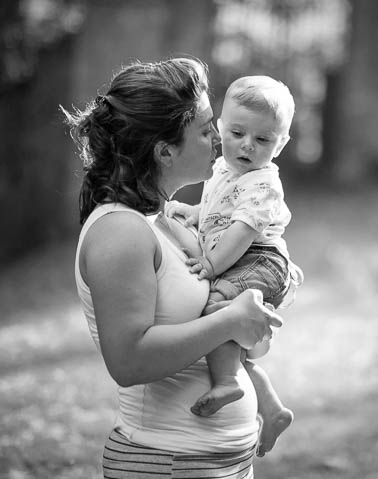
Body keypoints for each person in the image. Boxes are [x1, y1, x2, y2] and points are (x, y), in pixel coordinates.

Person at [65, 57, 282, 479]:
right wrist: (229, 322)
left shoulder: (164, 217)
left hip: (216, 462)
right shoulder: (119, 232)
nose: (218, 142)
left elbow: (224, 338)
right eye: (205, 131)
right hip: (165, 463)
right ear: (165, 150)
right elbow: (129, 361)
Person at [163, 75, 301, 457]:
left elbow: (241, 232)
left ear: (281, 144)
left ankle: (226, 383)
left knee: (217, 310)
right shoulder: (224, 170)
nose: (247, 145)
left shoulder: (263, 183)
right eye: (238, 133)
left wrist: (210, 264)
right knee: (227, 333)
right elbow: (218, 212)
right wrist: (193, 213)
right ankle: (271, 409)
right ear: (221, 127)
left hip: (261, 259)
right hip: (242, 256)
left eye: (263, 140)